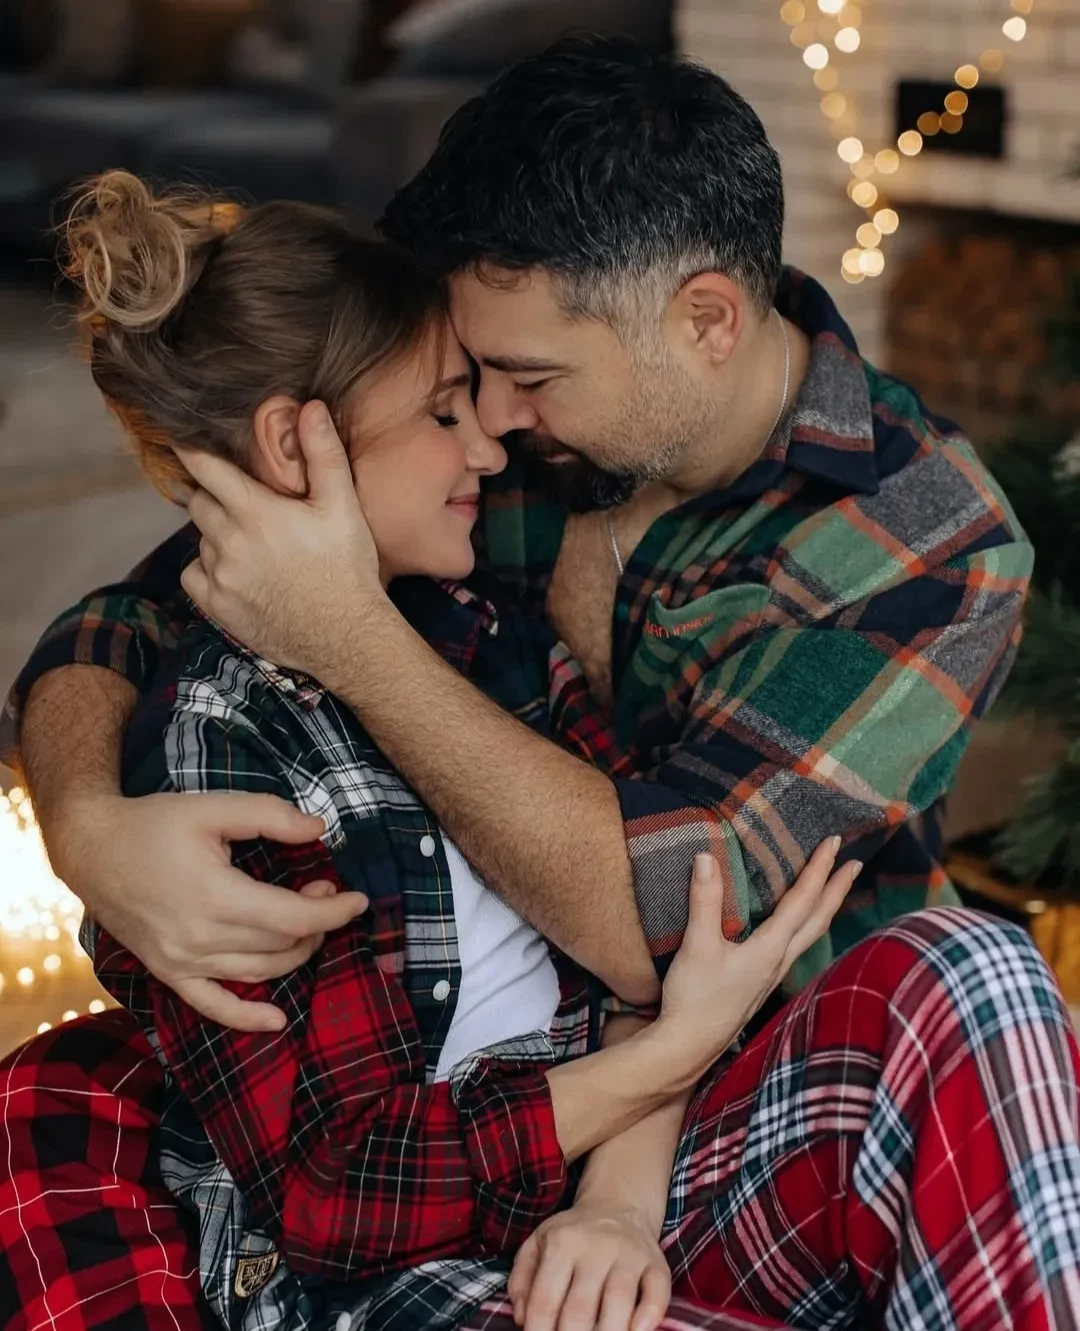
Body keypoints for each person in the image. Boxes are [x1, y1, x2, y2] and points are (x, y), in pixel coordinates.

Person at [3, 34, 1079, 1331]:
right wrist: (87, 821)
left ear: (705, 321)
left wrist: (358, 640)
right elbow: (146, 614)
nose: (496, 422)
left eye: (528, 378)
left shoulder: (930, 538)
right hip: (466, 1139)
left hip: (748, 1092)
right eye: (468, 382)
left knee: (978, 964)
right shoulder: (489, 462)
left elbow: (652, 925)